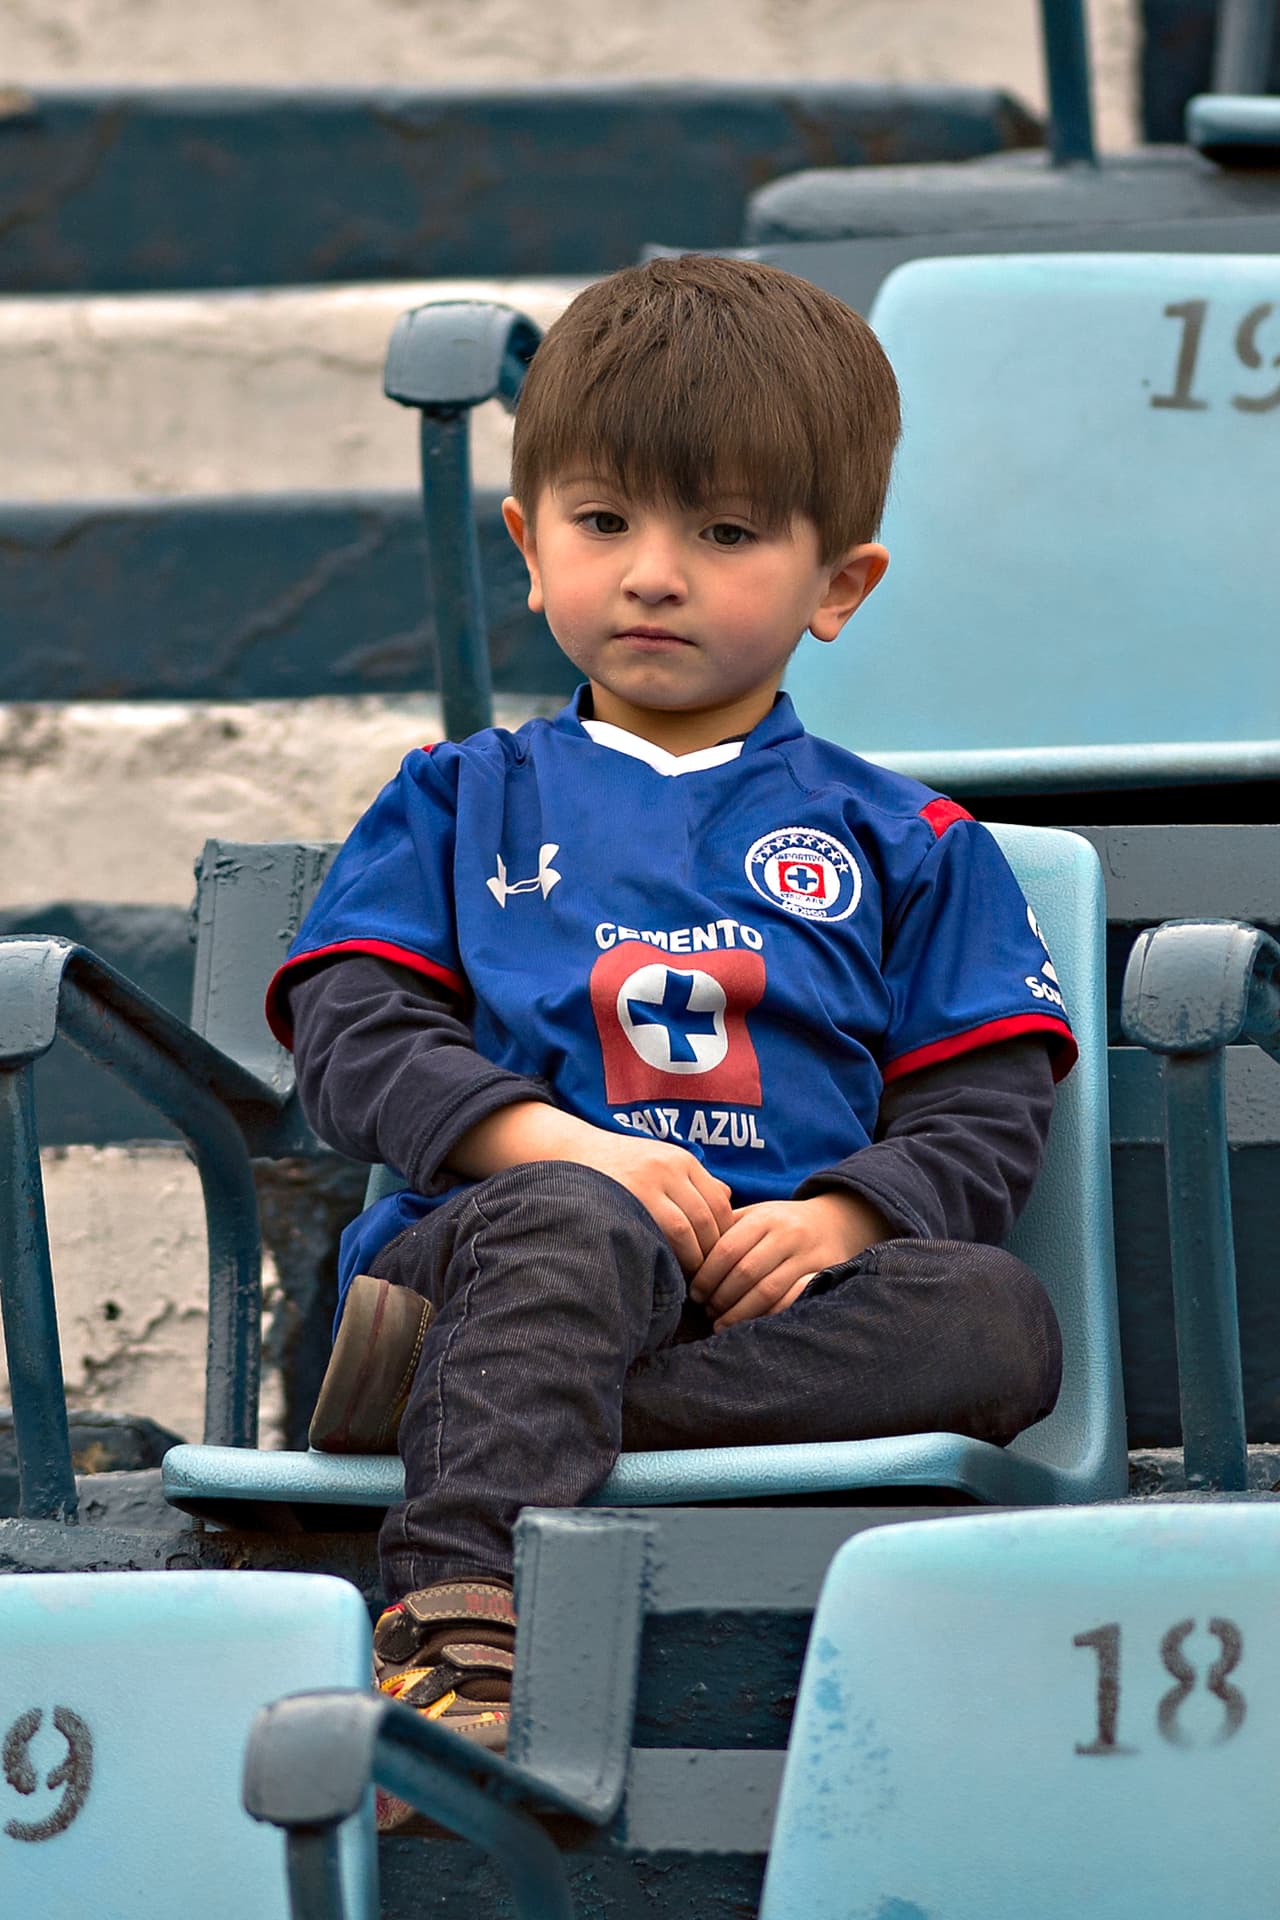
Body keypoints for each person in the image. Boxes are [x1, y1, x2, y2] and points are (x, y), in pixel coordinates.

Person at [265, 255, 1074, 1803]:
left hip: (767, 1299)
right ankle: (454, 1622)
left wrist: (849, 1215)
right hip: (513, 1238)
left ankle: (470, 1395)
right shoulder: (456, 801)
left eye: (722, 534)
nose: (652, 573)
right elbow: (353, 1034)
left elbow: (986, 1107)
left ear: (839, 584)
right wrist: (552, 1143)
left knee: (997, 1321)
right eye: (604, 522)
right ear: (527, 545)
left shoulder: (915, 843)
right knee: (569, 1228)